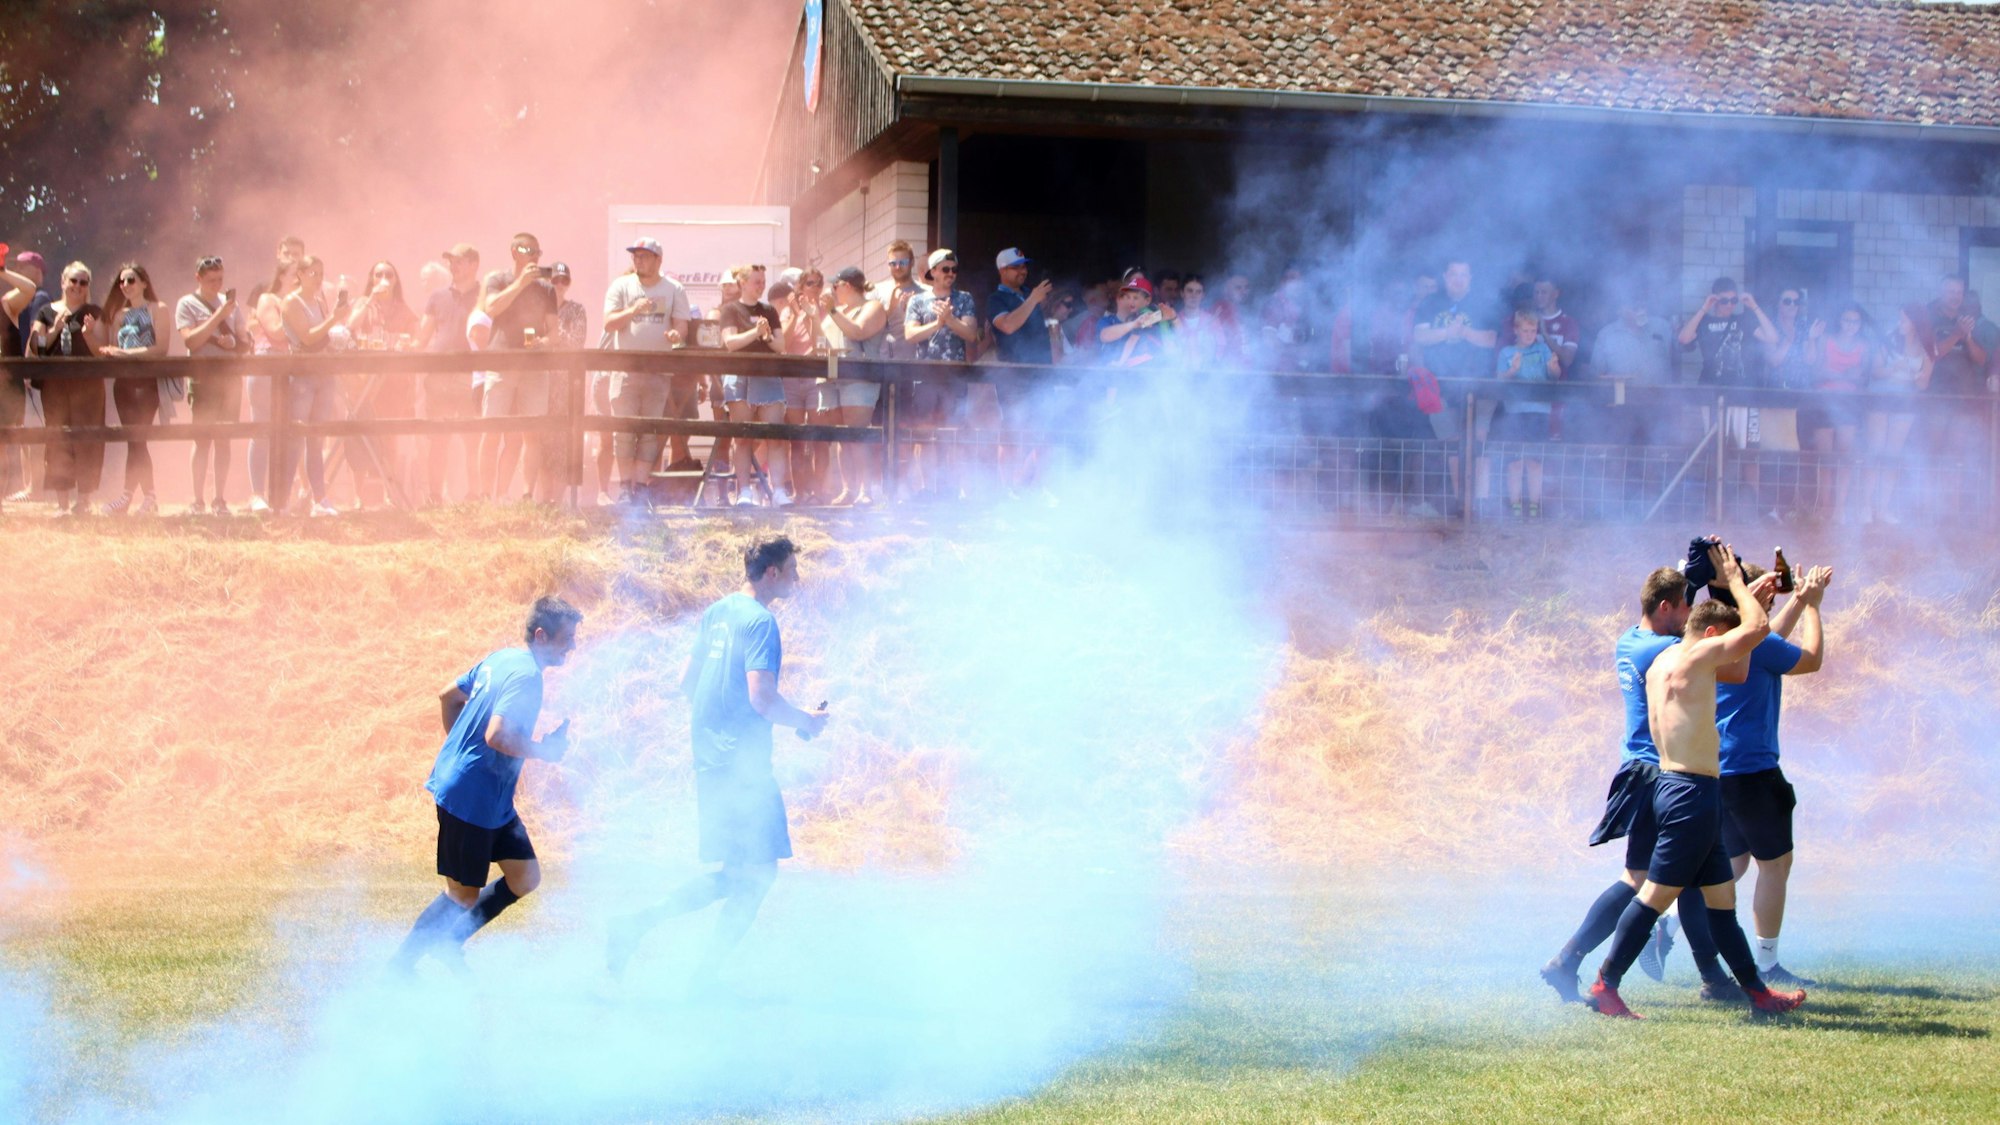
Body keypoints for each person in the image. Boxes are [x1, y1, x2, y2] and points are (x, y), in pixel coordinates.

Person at [1588, 544, 1805, 1019]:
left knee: (1722, 902)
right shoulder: (1691, 661)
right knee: (1653, 897)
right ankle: (1606, 982)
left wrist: (1754, 600)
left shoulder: (1664, 660)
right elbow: (1756, 633)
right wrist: (1738, 584)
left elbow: (1746, 655)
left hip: (1687, 790)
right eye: (1717, 637)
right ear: (1708, 636)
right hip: (1690, 794)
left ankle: (1759, 995)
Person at [606, 537, 827, 988]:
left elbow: (685, 681)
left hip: (712, 763)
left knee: (737, 873)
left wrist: (719, 729)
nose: (797, 578)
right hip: (743, 772)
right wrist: (806, 721)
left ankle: (639, 928)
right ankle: (699, 974)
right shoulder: (762, 623)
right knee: (759, 876)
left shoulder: (718, 611)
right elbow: (762, 698)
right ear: (771, 574)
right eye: (791, 570)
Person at [1540, 566, 1740, 1005]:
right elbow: (1733, 663)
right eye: (1683, 605)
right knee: (1639, 880)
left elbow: (1677, 617)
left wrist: (1692, 577)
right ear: (1667, 607)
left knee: (1687, 878)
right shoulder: (1670, 650)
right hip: (1660, 772)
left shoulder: (1630, 639)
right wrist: (1731, 589)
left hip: (1640, 768)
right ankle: (1570, 962)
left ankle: (1714, 978)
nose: (1688, 614)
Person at [392, 595, 581, 972]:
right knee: (461, 895)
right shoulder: (527, 674)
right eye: (567, 638)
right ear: (541, 635)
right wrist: (544, 751)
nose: (572, 646)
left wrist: (457, 748)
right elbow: (497, 736)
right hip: (471, 797)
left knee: (524, 877)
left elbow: (448, 696)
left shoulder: (501, 659)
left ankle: (449, 942)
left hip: (491, 798)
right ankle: (398, 971)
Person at [1703, 561, 1832, 990]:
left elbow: (1768, 635)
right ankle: (1766, 965)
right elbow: (1810, 660)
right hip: (1754, 771)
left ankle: (1664, 927)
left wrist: (1795, 599)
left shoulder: (1724, 640)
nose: (1770, 602)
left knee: (1733, 864)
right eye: (1765, 597)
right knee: (1774, 865)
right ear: (1748, 598)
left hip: (1721, 769)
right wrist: (1812, 606)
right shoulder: (1757, 643)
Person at [602, 237, 694, 500]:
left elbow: (682, 327)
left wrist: (676, 336)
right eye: (635, 256)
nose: (638, 260)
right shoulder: (621, 285)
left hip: (658, 372)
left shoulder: (674, 288)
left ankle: (641, 488)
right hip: (625, 370)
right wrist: (632, 310)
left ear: (658, 260)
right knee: (624, 431)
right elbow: (609, 323)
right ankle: (624, 487)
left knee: (650, 431)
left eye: (644, 256)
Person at [477, 233, 560, 503]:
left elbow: (554, 332)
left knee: (531, 433)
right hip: (500, 363)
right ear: (514, 252)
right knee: (491, 431)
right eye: (528, 250)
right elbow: (490, 309)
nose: (535, 255)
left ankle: (526, 495)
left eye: (538, 251)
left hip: (535, 367)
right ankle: (486, 495)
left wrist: (543, 343)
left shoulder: (547, 289)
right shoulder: (497, 280)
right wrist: (521, 283)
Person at [1413, 261, 1499, 508]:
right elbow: (1419, 336)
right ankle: (1462, 503)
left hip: (1481, 384)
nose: (1458, 279)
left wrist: (1464, 333)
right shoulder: (1431, 302)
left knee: (1478, 441)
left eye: (1463, 275)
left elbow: (1491, 340)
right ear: (1445, 276)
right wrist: (1447, 333)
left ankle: (1480, 504)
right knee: (1451, 443)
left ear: (1471, 277)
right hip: (1438, 385)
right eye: (1453, 274)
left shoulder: (1485, 301)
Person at [28, 261, 109, 515]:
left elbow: (104, 352)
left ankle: (83, 501)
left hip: (89, 386)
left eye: (83, 282)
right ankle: (62, 503)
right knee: (58, 437)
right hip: (55, 386)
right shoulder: (46, 310)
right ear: (63, 281)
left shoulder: (94, 312)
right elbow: (36, 346)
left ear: (88, 287)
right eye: (73, 280)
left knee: (87, 438)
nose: (77, 286)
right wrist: (56, 329)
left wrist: (88, 334)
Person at [272, 256, 349, 516]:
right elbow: (307, 337)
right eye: (313, 273)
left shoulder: (319, 301)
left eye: (321, 273)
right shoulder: (291, 302)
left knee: (316, 437)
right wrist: (334, 320)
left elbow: (324, 338)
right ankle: (282, 501)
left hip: (323, 374)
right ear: (301, 274)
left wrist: (341, 340)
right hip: (302, 375)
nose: (317, 278)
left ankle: (319, 498)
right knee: (296, 438)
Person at [343, 260, 421, 510]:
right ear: (371, 278)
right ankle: (358, 497)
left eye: (389, 274)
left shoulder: (404, 310)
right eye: (378, 274)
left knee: (389, 437)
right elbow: (349, 327)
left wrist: (406, 343)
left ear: (396, 280)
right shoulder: (362, 304)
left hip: (393, 383)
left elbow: (416, 338)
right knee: (359, 435)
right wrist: (369, 299)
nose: (384, 278)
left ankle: (390, 494)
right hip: (361, 380)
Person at [903, 249, 980, 498]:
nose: (950, 274)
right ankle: (926, 488)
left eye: (954, 270)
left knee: (954, 431)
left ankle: (950, 487)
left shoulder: (965, 299)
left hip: (955, 377)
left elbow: (971, 334)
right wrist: (937, 324)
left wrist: (949, 320)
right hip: (925, 377)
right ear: (933, 271)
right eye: (945, 269)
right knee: (924, 432)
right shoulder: (917, 300)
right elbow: (910, 335)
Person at [177, 255, 249, 515]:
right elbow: (190, 342)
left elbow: (245, 341)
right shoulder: (186, 304)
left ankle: (220, 498)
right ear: (198, 278)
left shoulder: (232, 305)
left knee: (224, 440)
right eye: (211, 281)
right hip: (203, 380)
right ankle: (198, 499)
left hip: (229, 380)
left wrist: (237, 343)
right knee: (202, 439)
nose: (216, 285)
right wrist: (219, 316)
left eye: (220, 279)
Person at [98, 262, 171, 515]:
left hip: (146, 382)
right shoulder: (119, 315)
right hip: (123, 384)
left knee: (138, 438)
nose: (125, 285)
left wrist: (124, 353)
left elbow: (161, 348)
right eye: (122, 282)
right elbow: (110, 347)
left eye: (130, 280)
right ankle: (135, 497)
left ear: (143, 282)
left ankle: (141, 497)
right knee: (133, 439)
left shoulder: (158, 309)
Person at [415, 244, 484, 505]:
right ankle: (435, 496)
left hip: (470, 377)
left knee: (472, 439)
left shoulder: (485, 296)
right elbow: (422, 336)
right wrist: (409, 349)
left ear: (474, 264)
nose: (454, 266)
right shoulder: (436, 297)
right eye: (451, 262)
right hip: (440, 377)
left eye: (460, 262)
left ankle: (474, 495)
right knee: (439, 439)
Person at [719, 263, 787, 505]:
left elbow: (780, 346)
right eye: (757, 281)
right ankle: (744, 491)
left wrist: (766, 335)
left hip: (768, 377)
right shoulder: (730, 310)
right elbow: (730, 342)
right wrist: (754, 333)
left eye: (763, 281)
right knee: (743, 438)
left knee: (775, 436)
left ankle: (778, 490)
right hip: (739, 378)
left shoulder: (769, 310)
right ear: (743, 283)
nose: (761, 286)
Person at [819, 265, 887, 505]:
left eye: (835, 286)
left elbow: (858, 332)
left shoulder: (873, 307)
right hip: (834, 378)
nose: (833, 290)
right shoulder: (840, 309)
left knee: (857, 434)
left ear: (846, 286)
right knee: (843, 437)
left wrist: (833, 311)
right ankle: (849, 489)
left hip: (861, 377)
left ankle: (866, 490)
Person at [1798, 304, 1870, 522]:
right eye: (1847, 320)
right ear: (1840, 321)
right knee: (1825, 457)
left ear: (1860, 324)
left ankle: (1839, 508)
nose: (1850, 325)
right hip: (1823, 402)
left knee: (1845, 457)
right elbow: (1814, 369)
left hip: (1849, 404)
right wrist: (1843, 375)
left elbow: (1861, 376)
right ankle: (1825, 506)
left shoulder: (1864, 346)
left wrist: (1835, 375)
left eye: (1855, 321)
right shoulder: (1825, 340)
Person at [1863, 305, 1934, 525]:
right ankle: (1865, 506)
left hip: (1906, 402)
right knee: (1876, 452)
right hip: (1882, 398)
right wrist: (1893, 369)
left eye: (1903, 320)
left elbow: (1924, 384)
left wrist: (1916, 375)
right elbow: (1874, 371)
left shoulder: (1927, 346)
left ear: (1915, 322)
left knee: (1893, 455)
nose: (1899, 323)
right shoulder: (1889, 339)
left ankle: (1882, 509)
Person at [246, 259, 302, 514]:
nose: (300, 278)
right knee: (261, 429)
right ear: (281, 276)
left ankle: (284, 498)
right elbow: (276, 332)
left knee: (294, 433)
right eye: (295, 274)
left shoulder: (304, 303)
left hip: (294, 373)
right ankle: (258, 495)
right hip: (266, 370)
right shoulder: (268, 300)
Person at [1491, 309, 1558, 518]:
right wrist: (1512, 371)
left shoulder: (1543, 349)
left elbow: (1554, 376)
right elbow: (1499, 379)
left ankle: (1535, 505)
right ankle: (1515, 506)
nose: (1530, 335)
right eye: (1526, 331)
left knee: (1535, 461)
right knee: (1515, 461)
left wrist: (1554, 367)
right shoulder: (1507, 353)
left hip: (1539, 412)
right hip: (1515, 412)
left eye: (1533, 331)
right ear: (1516, 330)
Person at [2, 249, 51, 506]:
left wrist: (32, 363)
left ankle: (34, 488)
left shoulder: (41, 297)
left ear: (36, 270)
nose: (18, 272)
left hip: (28, 375)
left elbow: (37, 333)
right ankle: (29, 488)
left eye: (21, 267)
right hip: (23, 375)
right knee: (24, 433)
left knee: (31, 434)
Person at [1679, 276, 1777, 387]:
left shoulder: (1743, 320)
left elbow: (1772, 338)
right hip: (1709, 387)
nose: (1729, 305)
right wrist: (1704, 308)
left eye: (1733, 301)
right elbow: (1684, 339)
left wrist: (1754, 306)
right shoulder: (1704, 322)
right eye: (1724, 301)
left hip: (1739, 389)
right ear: (1715, 301)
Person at [865, 240, 923, 360]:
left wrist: (913, 311)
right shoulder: (876, 291)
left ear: (912, 262)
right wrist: (890, 309)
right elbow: (866, 329)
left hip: (917, 364)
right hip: (883, 363)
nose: (898, 267)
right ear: (888, 264)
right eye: (893, 263)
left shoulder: (926, 292)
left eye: (903, 262)